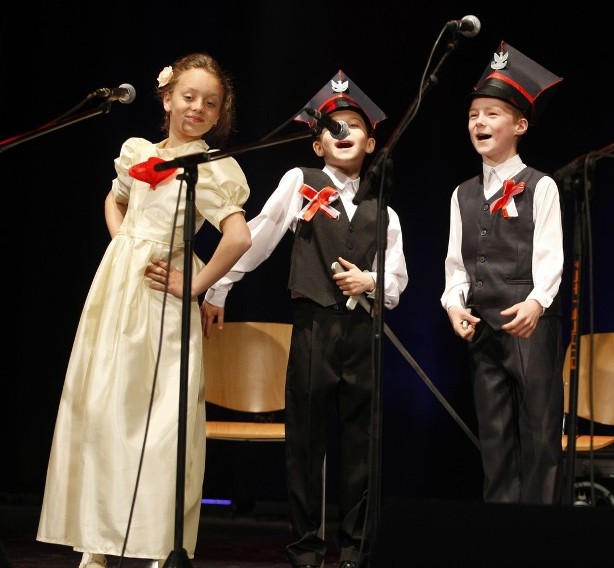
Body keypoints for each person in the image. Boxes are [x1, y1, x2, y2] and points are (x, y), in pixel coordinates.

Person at [36, 53, 252, 568]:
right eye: (189, 96)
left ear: (220, 112)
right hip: (116, 292)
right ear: (167, 97)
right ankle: (96, 541)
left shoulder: (211, 165)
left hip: (160, 302)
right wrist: (126, 244)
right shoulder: (139, 151)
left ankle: (159, 544)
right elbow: (114, 199)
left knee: (160, 420)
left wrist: (193, 284)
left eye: (210, 102)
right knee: (105, 407)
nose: (198, 107)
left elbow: (238, 236)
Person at [202, 70, 408, 568]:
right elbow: (260, 233)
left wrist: (371, 284)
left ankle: (357, 550)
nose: (343, 134)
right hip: (315, 326)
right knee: (307, 443)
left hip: (364, 336)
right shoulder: (301, 183)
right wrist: (219, 285)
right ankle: (307, 550)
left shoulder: (386, 211)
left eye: (353, 125)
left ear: (371, 142)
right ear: (317, 145)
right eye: (332, 127)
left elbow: (397, 280)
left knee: (361, 444)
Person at [440, 41, 565, 505]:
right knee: (494, 439)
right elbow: (457, 264)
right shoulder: (462, 194)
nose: (480, 122)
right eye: (474, 114)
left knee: (539, 434)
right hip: (484, 332)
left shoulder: (541, 185)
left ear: (520, 125)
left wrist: (536, 302)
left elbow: (552, 255)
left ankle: (538, 537)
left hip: (531, 325)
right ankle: (499, 534)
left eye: (493, 114)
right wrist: (455, 305)